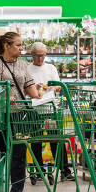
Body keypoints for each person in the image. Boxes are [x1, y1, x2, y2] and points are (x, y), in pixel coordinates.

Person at [0, 32, 40, 192]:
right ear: (6, 46)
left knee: (19, 153)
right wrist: (4, 95)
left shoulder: (23, 65)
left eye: (21, 45)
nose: (21, 48)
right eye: (18, 45)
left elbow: (29, 86)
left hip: (19, 114)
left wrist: (39, 96)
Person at [26, 42, 74, 181]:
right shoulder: (28, 69)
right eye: (37, 56)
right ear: (32, 55)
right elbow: (25, 88)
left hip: (50, 108)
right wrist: (34, 87)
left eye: (42, 55)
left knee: (56, 139)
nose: (40, 59)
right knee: (36, 141)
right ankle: (39, 170)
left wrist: (51, 88)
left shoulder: (51, 68)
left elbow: (58, 86)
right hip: (34, 109)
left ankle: (64, 169)